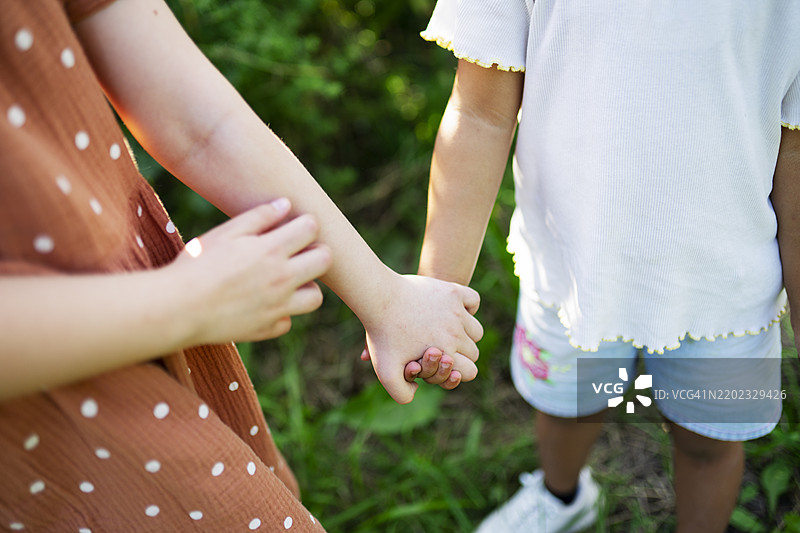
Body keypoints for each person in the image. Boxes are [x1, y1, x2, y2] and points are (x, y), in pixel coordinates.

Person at [0, 0, 485, 531]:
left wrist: (385, 299)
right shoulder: (181, 303)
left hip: (139, 329)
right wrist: (186, 301)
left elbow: (202, 125)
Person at [418, 1, 800, 531]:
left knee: (708, 442)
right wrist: (434, 292)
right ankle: (562, 498)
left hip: (727, 287)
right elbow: (480, 113)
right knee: (568, 406)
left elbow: (795, 149)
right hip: (572, 267)